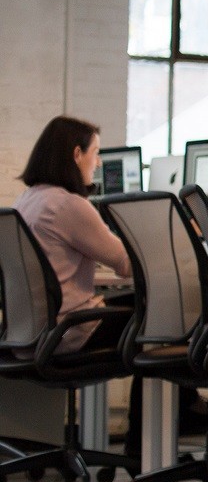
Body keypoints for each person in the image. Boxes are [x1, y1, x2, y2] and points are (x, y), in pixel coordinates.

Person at [14, 116, 134, 354]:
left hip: (26, 334)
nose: (98, 163)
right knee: (157, 309)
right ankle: (187, 388)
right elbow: (127, 264)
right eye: (96, 152)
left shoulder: (24, 201)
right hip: (68, 333)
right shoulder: (68, 205)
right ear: (77, 154)